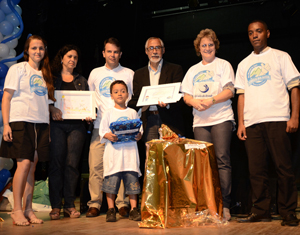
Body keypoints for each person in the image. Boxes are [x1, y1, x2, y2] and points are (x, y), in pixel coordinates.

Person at [235, 20, 300, 226]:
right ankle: (261, 210)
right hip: (252, 123)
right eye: (251, 33)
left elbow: (294, 88)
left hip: (278, 119)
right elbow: (241, 96)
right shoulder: (244, 64)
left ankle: (288, 211)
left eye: (259, 31)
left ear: (268, 33)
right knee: (256, 170)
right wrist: (241, 123)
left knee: (284, 168)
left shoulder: (281, 56)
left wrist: (295, 117)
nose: (255, 35)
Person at [0, 35, 55, 226]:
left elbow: (46, 104)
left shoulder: (45, 74)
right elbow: (6, 97)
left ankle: (28, 209)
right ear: (27, 50)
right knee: (23, 165)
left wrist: (48, 125)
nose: (38, 51)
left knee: (32, 167)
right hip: (20, 121)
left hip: (40, 124)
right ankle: (16, 210)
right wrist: (6, 124)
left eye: (41, 48)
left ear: (44, 51)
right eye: (34, 48)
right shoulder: (18, 69)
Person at [181, 29, 235, 221]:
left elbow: (230, 91)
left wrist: (211, 100)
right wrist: (193, 102)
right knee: (204, 165)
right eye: (204, 45)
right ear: (198, 48)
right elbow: (186, 95)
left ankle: (225, 206)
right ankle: (208, 207)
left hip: (221, 118)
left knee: (222, 160)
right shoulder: (193, 70)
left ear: (215, 46)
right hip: (200, 122)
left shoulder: (224, 65)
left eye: (210, 44)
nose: (207, 48)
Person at [86, 37, 133, 217]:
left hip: (122, 127)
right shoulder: (95, 73)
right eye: (109, 51)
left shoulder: (129, 73)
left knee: (121, 166)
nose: (112, 55)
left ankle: (122, 204)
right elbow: (90, 98)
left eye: (116, 52)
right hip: (100, 127)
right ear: (104, 53)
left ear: (120, 54)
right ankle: (95, 204)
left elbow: (132, 98)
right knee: (96, 166)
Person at [48, 45, 90, 219]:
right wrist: (51, 109)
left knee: (72, 165)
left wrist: (88, 114)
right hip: (57, 126)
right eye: (69, 56)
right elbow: (45, 100)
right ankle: (56, 205)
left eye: (75, 57)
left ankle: (70, 205)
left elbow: (88, 103)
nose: (72, 60)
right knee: (56, 164)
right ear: (62, 58)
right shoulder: (52, 78)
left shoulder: (82, 80)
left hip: (77, 127)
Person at [100, 80, 142, 222]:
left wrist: (138, 135)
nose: (120, 94)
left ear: (128, 95)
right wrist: (108, 135)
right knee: (111, 184)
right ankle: (111, 210)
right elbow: (102, 131)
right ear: (111, 95)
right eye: (116, 91)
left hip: (130, 155)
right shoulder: (108, 113)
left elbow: (139, 131)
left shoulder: (133, 112)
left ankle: (134, 209)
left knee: (132, 184)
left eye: (123, 91)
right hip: (114, 155)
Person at [128, 37, 185, 141]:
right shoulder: (139, 74)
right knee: (151, 154)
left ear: (163, 50)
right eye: (151, 48)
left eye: (157, 48)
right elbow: (135, 99)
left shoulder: (175, 69)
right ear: (146, 51)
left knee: (170, 154)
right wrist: (142, 104)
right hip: (149, 120)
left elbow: (181, 97)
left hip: (170, 119)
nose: (154, 51)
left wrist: (168, 104)